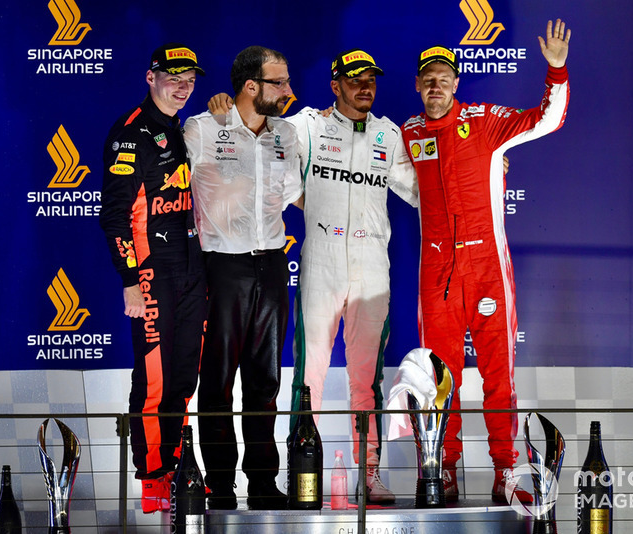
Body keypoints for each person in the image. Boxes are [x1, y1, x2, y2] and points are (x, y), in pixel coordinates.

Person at [209, 48, 419, 504]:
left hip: (371, 266)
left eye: (372, 80)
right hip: (321, 260)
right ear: (335, 84)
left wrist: (482, 172)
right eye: (355, 79)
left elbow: (423, 192)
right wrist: (225, 112)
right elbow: (269, 169)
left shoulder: (389, 133)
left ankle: (370, 472)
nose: (365, 87)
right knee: (310, 377)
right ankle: (304, 472)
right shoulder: (307, 125)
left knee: (367, 378)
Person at [401, 19, 571, 503]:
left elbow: (547, 119)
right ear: (418, 84)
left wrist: (555, 69)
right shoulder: (407, 133)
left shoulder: (486, 119)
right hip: (436, 274)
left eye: (444, 78)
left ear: (456, 83)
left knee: (499, 378)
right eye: (427, 79)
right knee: (437, 381)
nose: (436, 86)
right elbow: (386, 175)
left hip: (487, 269)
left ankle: (507, 472)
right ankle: (442, 469)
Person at [183, 45, 302, 511]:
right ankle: (217, 484)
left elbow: (295, 193)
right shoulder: (203, 128)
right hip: (221, 267)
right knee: (216, 383)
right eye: (280, 83)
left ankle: (264, 483)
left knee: (264, 383)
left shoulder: (286, 134)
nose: (289, 91)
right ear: (251, 86)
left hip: (272, 265)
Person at [100, 43, 207, 514]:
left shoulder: (188, 131)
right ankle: (151, 478)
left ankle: (178, 464)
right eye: (173, 76)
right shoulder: (129, 133)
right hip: (150, 274)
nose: (182, 86)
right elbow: (114, 217)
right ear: (150, 77)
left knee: (185, 377)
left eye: (190, 78)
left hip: (192, 271)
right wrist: (129, 281)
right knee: (154, 381)